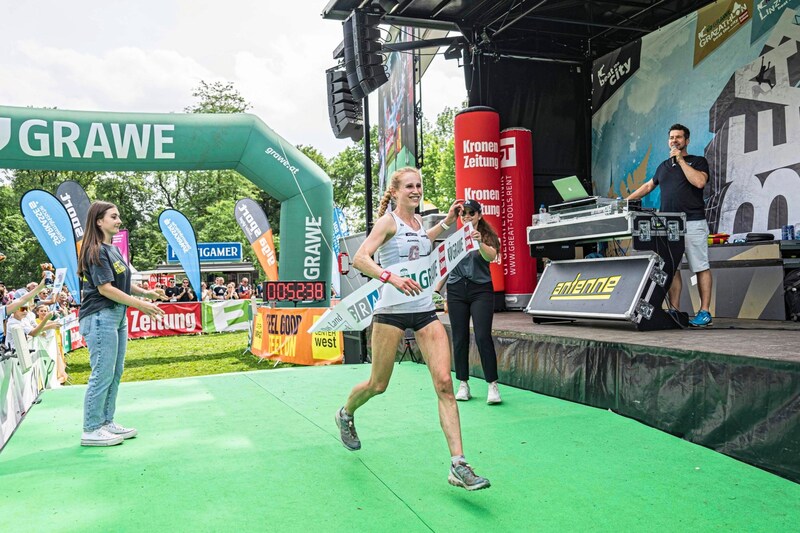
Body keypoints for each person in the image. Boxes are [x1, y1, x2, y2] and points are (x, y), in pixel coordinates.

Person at [335, 167, 490, 491]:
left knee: (445, 383)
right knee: (378, 385)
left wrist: (447, 223)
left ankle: (458, 464)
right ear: (395, 192)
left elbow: (423, 243)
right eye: (409, 186)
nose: (416, 190)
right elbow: (361, 258)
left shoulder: (420, 223)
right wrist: (390, 277)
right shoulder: (388, 222)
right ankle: (346, 413)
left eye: (419, 185)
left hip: (423, 311)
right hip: (390, 312)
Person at [78, 201, 167, 447]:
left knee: (114, 373)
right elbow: (105, 289)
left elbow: (120, 284)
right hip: (99, 316)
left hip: (116, 316)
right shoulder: (95, 250)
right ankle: (91, 428)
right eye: (113, 216)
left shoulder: (113, 250)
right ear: (99, 221)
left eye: (118, 216)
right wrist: (141, 305)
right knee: (102, 374)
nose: (118, 221)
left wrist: (148, 294)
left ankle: (106, 422)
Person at [627, 123, 713, 327]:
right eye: (671, 137)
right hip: (669, 226)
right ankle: (674, 310)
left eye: (679, 137)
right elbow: (649, 186)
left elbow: (699, 182)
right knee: (672, 269)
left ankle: (705, 312)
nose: (674, 141)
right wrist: (625, 202)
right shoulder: (663, 166)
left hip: (692, 222)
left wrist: (681, 161)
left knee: (700, 267)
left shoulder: (697, 161)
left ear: (687, 141)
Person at [444, 199, 503, 404]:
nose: (467, 217)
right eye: (463, 214)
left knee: (482, 336)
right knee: (459, 338)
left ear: (479, 215)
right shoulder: (454, 238)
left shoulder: (487, 236)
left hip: (481, 290)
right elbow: (446, 266)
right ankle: (463, 383)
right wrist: (439, 293)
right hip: (456, 290)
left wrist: (479, 241)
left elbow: (491, 257)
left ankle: (492, 385)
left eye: (471, 213)